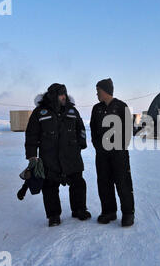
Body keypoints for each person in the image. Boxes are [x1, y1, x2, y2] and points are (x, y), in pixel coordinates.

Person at [25, 83, 91, 227]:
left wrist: (80, 144)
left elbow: (81, 128)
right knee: (49, 186)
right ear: (53, 95)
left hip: (71, 156)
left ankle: (79, 209)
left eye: (65, 94)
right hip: (49, 157)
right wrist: (31, 155)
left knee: (78, 183)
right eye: (61, 94)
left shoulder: (72, 110)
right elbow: (31, 134)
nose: (64, 97)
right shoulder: (40, 112)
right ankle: (53, 215)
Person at [90, 78, 135, 227]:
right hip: (102, 154)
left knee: (123, 183)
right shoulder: (96, 109)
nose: (96, 94)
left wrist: (119, 147)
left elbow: (128, 131)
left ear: (105, 91)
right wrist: (98, 146)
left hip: (118, 153)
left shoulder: (122, 107)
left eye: (98, 91)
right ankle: (109, 212)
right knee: (104, 183)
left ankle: (128, 213)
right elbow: (94, 130)